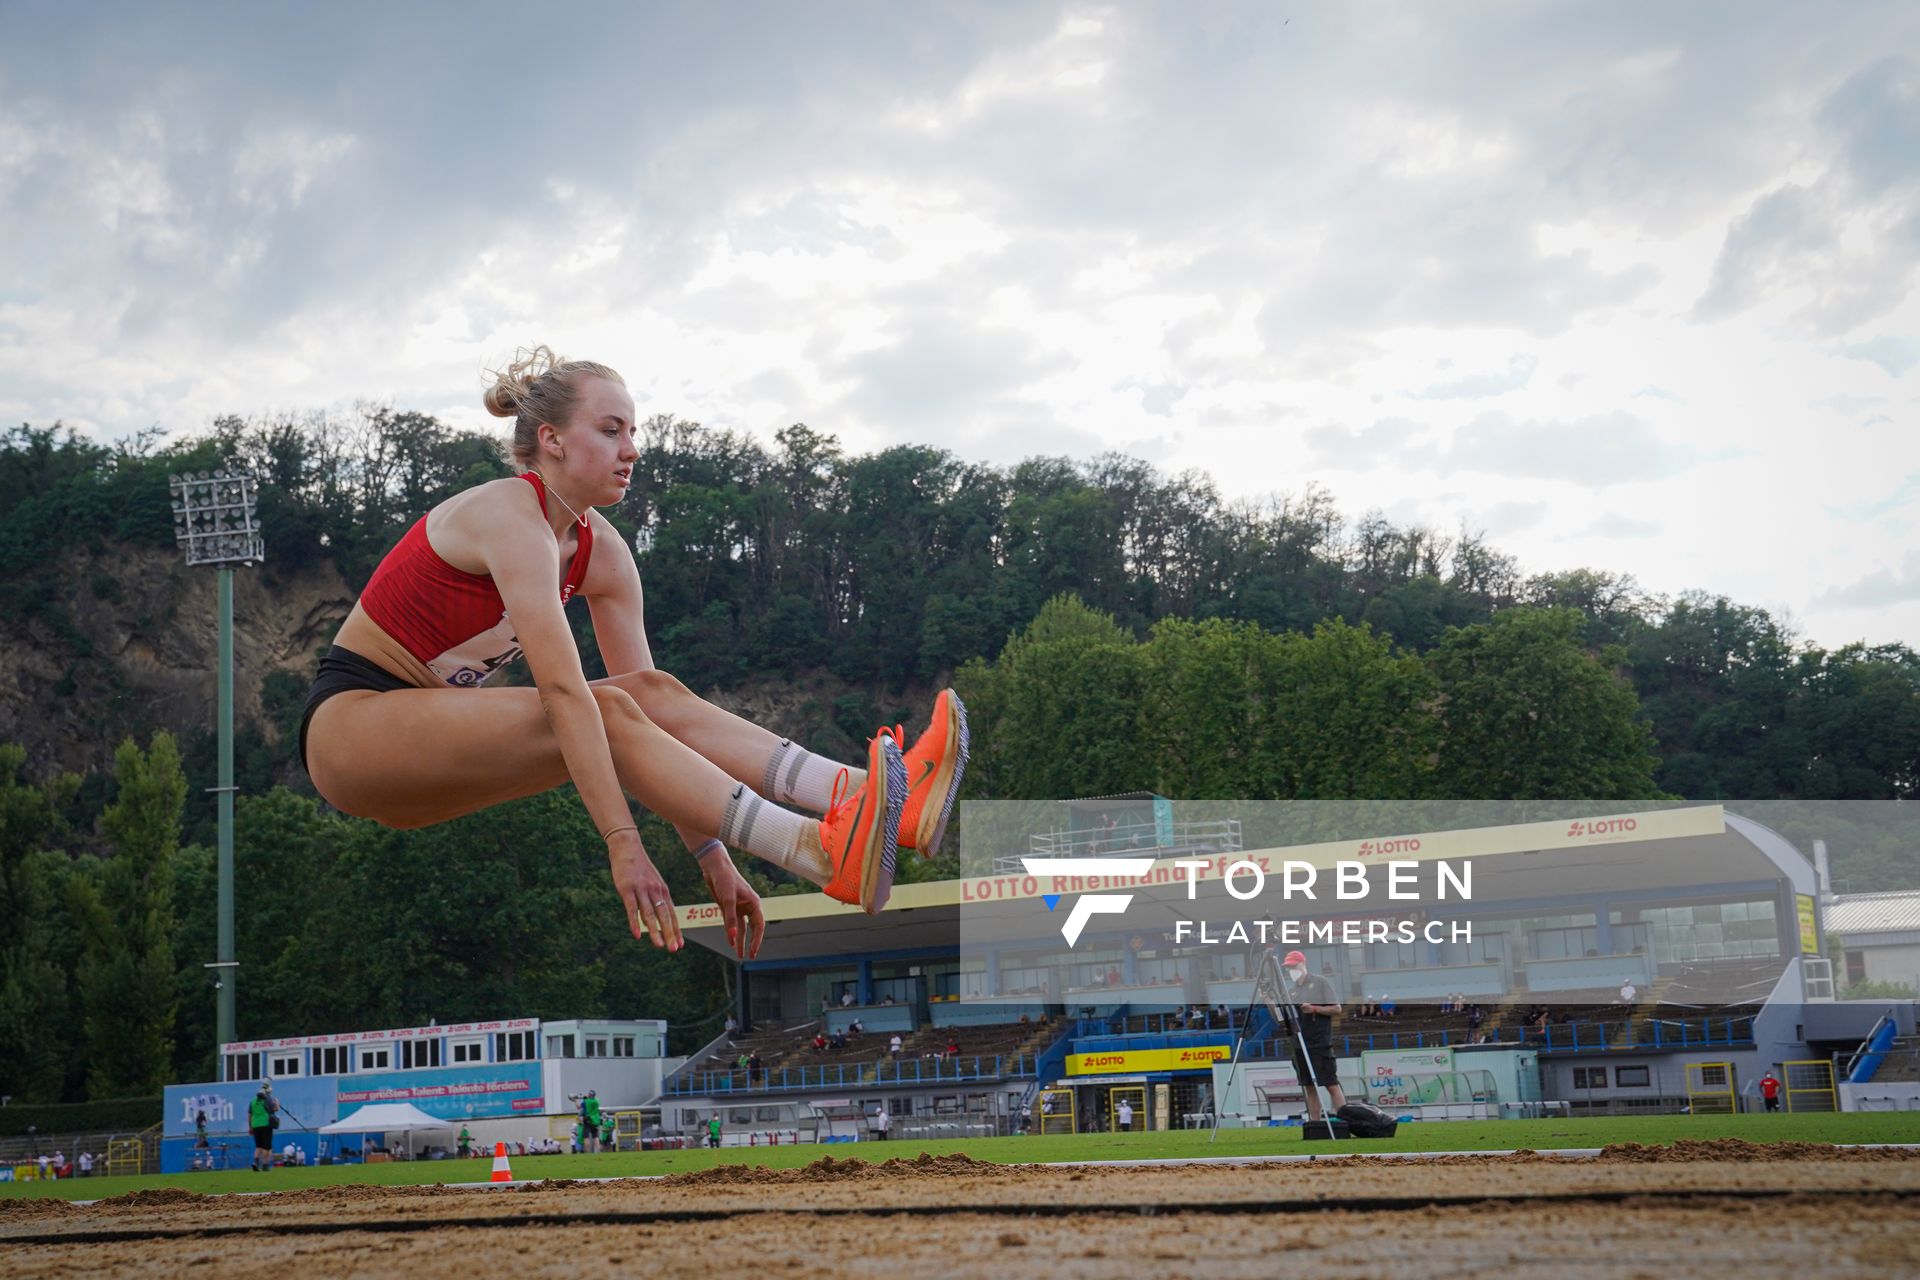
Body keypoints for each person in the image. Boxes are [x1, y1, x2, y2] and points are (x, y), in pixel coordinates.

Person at [298, 345, 970, 944]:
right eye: (611, 430)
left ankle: (876, 802)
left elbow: (658, 736)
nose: (631, 450)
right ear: (552, 439)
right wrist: (623, 843)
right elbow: (565, 695)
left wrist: (714, 859)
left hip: (427, 764)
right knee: (604, 708)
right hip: (353, 733)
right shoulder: (508, 512)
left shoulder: (604, 554)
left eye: (633, 432)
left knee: (648, 695)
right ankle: (813, 848)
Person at [1278, 950, 1348, 1124]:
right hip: (1299, 1043)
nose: (1291, 970)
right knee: (1309, 1086)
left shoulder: (1320, 982)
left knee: (1331, 1083)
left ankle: (1346, 1121)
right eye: (1288, 967)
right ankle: (1315, 1123)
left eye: (1293, 966)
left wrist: (1315, 1008)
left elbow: (1337, 1008)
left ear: (1302, 964)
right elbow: (1283, 1019)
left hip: (1319, 1042)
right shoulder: (1291, 992)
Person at [249, 1080, 279, 1173]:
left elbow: (249, 1114)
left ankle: (255, 1162)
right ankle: (265, 1165)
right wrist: (277, 1102)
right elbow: (275, 1109)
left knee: (258, 1146)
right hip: (265, 1124)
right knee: (267, 1146)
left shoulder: (253, 1101)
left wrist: (250, 1127)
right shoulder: (268, 1099)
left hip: (255, 1125)